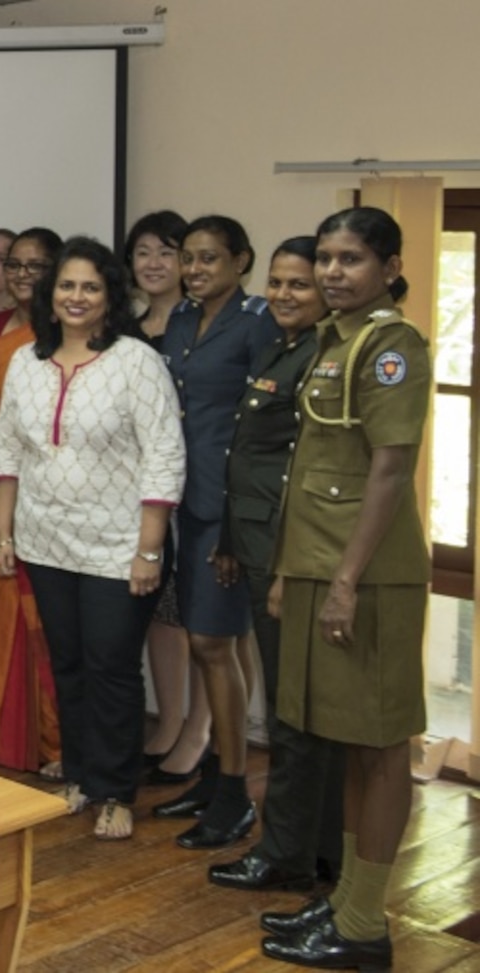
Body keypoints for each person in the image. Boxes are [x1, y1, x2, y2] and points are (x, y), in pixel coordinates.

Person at [258, 208, 430, 970]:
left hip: (369, 580)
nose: (331, 271)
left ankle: (365, 921)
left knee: (383, 749)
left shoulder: (392, 346)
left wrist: (346, 582)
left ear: (389, 266)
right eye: (324, 257)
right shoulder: (334, 339)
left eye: (350, 259)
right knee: (351, 748)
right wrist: (293, 573)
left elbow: (390, 472)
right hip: (321, 568)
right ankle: (350, 901)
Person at [0, 237, 184, 842]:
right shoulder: (27, 361)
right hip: (47, 540)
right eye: (66, 286)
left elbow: (165, 458)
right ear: (51, 295)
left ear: (109, 297)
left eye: (90, 287)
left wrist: (149, 548)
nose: (76, 297)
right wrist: (3, 531)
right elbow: (8, 449)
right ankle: (80, 776)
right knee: (68, 665)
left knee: (112, 668)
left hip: (119, 545)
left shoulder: (135, 361)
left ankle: (118, 790)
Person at [207, 237, 343, 894]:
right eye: (280, 282)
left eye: (301, 284)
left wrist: (287, 563)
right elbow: (248, 461)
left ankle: (292, 851)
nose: (286, 294)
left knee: (296, 713)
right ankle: (312, 849)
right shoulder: (279, 348)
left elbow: (303, 476)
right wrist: (233, 538)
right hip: (259, 547)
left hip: (293, 557)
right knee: (292, 706)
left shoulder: (321, 358)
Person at [156, 215, 282, 848]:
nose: (196, 269)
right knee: (218, 642)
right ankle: (214, 775)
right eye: (190, 259)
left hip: (226, 509)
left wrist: (234, 529)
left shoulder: (257, 322)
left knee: (212, 639)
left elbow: (261, 430)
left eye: (209, 259)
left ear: (242, 261)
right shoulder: (181, 319)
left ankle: (234, 790)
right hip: (185, 501)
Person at [0, 227, 62, 774]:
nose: (24, 275)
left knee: (45, 627)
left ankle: (53, 741)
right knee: (2, 612)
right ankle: (9, 737)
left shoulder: (70, 335)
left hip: (49, 501)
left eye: (36, 265)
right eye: (16, 266)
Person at [120, 209, 205, 787]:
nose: (154, 263)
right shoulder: (125, 326)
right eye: (143, 252)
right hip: (132, 491)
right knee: (159, 615)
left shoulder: (203, 324)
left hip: (195, 487)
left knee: (203, 619)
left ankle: (200, 729)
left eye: (166, 252)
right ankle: (169, 719)